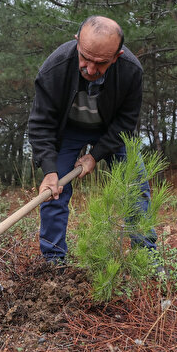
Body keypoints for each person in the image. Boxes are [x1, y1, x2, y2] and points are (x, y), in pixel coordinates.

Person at [28, 15, 156, 263]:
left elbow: (126, 123)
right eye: (84, 57)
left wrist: (96, 155)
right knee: (54, 191)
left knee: (135, 185)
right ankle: (53, 262)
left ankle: (146, 258)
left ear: (116, 57)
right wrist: (49, 169)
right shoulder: (54, 68)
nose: (90, 69)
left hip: (111, 131)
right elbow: (41, 123)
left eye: (101, 63)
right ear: (77, 42)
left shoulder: (131, 71)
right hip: (68, 129)